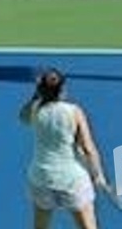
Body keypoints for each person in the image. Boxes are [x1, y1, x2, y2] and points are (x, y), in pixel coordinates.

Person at [19, 69, 107, 229]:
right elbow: (88, 148)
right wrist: (98, 174)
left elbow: (22, 117)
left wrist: (37, 95)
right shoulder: (74, 112)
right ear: (62, 90)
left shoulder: (35, 109)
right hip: (72, 181)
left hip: (41, 178)